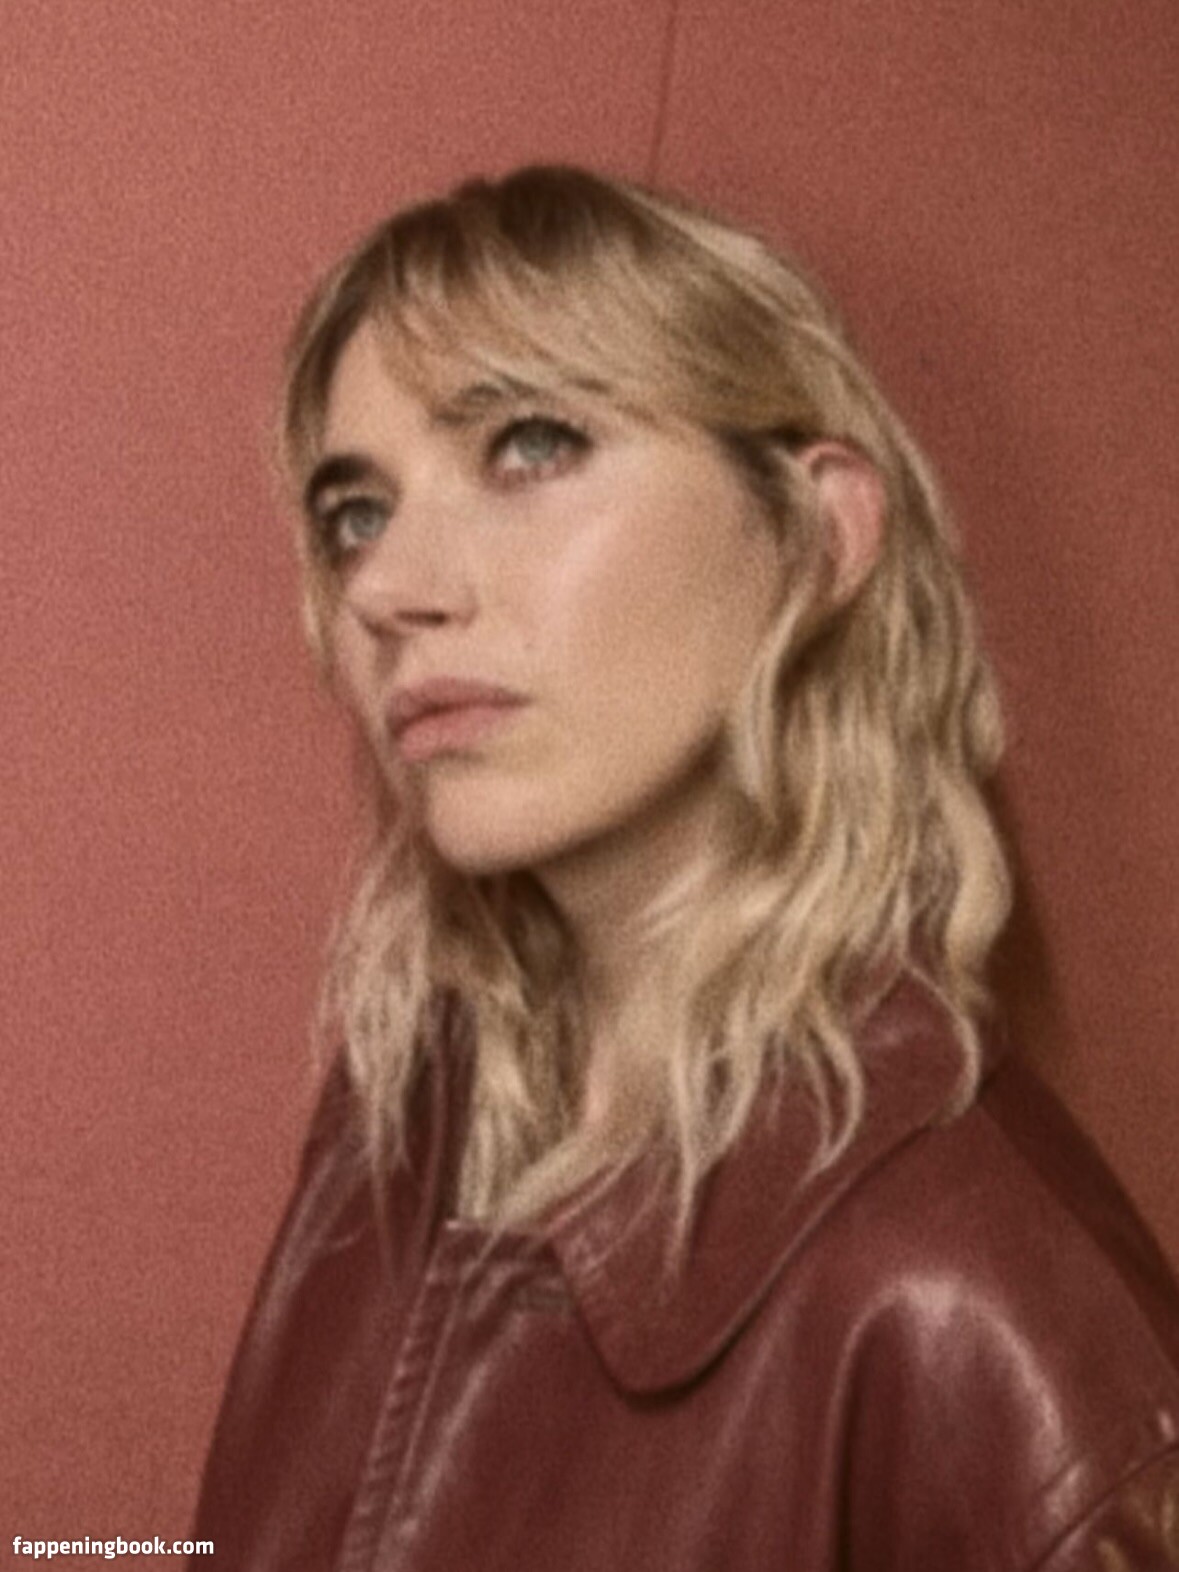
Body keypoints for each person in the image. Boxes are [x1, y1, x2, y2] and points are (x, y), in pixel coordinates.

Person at [189, 166, 1179, 1569]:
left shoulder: (985, 1317)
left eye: (530, 447)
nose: (391, 587)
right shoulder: (403, 1117)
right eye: (359, 512)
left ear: (818, 535)